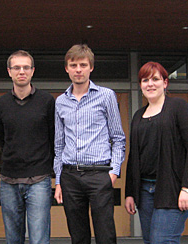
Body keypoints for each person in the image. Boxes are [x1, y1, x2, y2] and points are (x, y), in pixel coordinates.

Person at [54, 44, 126, 244]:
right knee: (78, 236)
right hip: (70, 176)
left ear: (91, 68)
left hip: (99, 174)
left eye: (83, 65)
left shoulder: (106, 96)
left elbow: (118, 138)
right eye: (74, 65)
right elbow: (58, 145)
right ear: (67, 68)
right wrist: (59, 179)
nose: (78, 69)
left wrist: (113, 173)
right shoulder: (60, 102)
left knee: (105, 235)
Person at [125, 62, 188, 244]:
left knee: (162, 240)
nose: (150, 84)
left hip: (173, 189)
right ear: (140, 85)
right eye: (145, 80)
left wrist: (187, 187)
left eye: (155, 79)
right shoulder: (138, 115)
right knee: (150, 241)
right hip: (144, 191)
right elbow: (134, 156)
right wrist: (130, 192)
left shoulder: (178, 107)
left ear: (165, 83)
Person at [0, 50, 55, 244]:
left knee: (39, 239)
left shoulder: (46, 101)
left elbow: (53, 138)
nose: (22, 71)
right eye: (17, 68)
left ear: (32, 71)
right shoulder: (1, 103)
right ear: (9, 72)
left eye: (26, 67)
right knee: (13, 239)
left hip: (39, 179)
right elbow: (3, 139)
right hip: (9, 181)